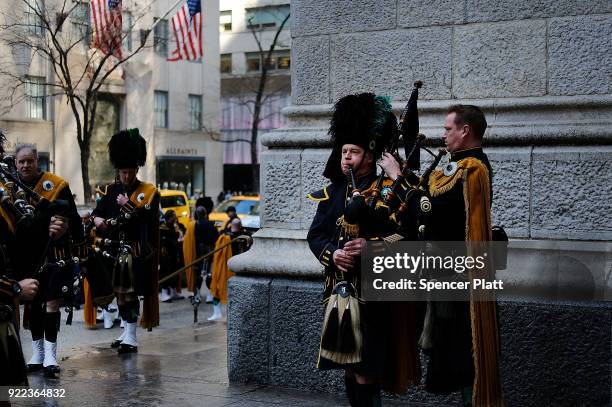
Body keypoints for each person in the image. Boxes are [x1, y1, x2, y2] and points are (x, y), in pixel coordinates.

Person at [307, 93, 421, 406]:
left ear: (369, 155)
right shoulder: (332, 192)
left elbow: (408, 236)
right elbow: (315, 235)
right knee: (347, 367)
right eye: (343, 151)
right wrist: (334, 254)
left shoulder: (389, 190)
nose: (346, 157)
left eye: (353, 151)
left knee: (367, 370)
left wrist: (370, 249)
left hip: (375, 296)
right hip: (339, 293)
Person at [421, 105, 503, 406]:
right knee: (453, 356)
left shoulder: (473, 168)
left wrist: (399, 179)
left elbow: (438, 211)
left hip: (462, 277)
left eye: (447, 129)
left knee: (465, 355)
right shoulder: (456, 166)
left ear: (465, 130)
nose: (443, 135)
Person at [14, 144, 85, 378]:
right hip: (27, 259)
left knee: (52, 304)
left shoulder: (56, 185)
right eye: (21, 161)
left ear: (37, 161)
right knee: (33, 305)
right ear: (15, 164)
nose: (25, 165)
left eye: (29, 161)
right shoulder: (11, 188)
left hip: (55, 257)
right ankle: (37, 354)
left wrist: (67, 231)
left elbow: (74, 220)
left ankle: (51, 355)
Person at [90, 129, 160, 354]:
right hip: (111, 249)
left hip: (134, 251)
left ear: (137, 168)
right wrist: (97, 219)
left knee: (129, 293)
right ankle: (125, 331)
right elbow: (97, 212)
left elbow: (148, 221)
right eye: (123, 172)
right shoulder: (110, 190)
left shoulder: (148, 192)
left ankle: (132, 335)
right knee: (119, 293)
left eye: (130, 172)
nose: (126, 177)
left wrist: (128, 204)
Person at [183, 206, 219, 301]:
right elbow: (217, 237)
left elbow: (190, 239)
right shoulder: (212, 224)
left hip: (197, 252)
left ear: (197, 215)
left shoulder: (193, 225)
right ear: (206, 214)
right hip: (210, 250)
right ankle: (209, 295)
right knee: (209, 273)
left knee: (198, 273)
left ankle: (197, 295)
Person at [159, 210, 182, 303]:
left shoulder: (174, 226)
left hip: (174, 253)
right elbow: (163, 241)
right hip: (165, 255)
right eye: (174, 216)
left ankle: (174, 291)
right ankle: (164, 293)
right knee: (165, 273)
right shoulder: (162, 228)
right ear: (169, 218)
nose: (175, 218)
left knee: (175, 272)